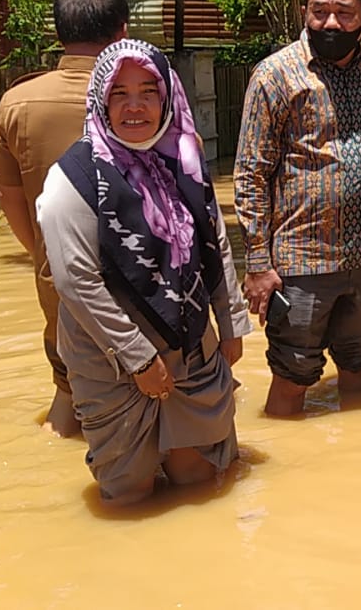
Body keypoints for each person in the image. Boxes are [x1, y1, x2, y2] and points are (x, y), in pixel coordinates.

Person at [37, 39, 250, 505]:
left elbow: (213, 241)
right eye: (119, 94)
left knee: (198, 475)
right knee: (128, 492)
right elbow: (75, 281)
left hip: (191, 340)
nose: (135, 107)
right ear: (100, 99)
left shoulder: (185, 159)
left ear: (167, 96)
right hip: (108, 354)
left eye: (148, 92)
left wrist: (230, 321)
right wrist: (137, 358)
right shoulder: (71, 178)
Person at [234, 0, 361, 417]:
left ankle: (358, 464)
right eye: (320, 13)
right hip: (302, 259)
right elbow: (251, 172)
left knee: (360, 366)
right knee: (292, 377)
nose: (331, 24)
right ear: (304, 13)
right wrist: (257, 262)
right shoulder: (274, 76)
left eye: (344, 13)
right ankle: (287, 477)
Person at [0, 0, 128, 437]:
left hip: (60, 276)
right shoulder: (143, 94)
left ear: (59, 32)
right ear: (123, 31)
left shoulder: (18, 101)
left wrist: (45, 253)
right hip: (140, 275)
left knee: (69, 390)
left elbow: (10, 199)